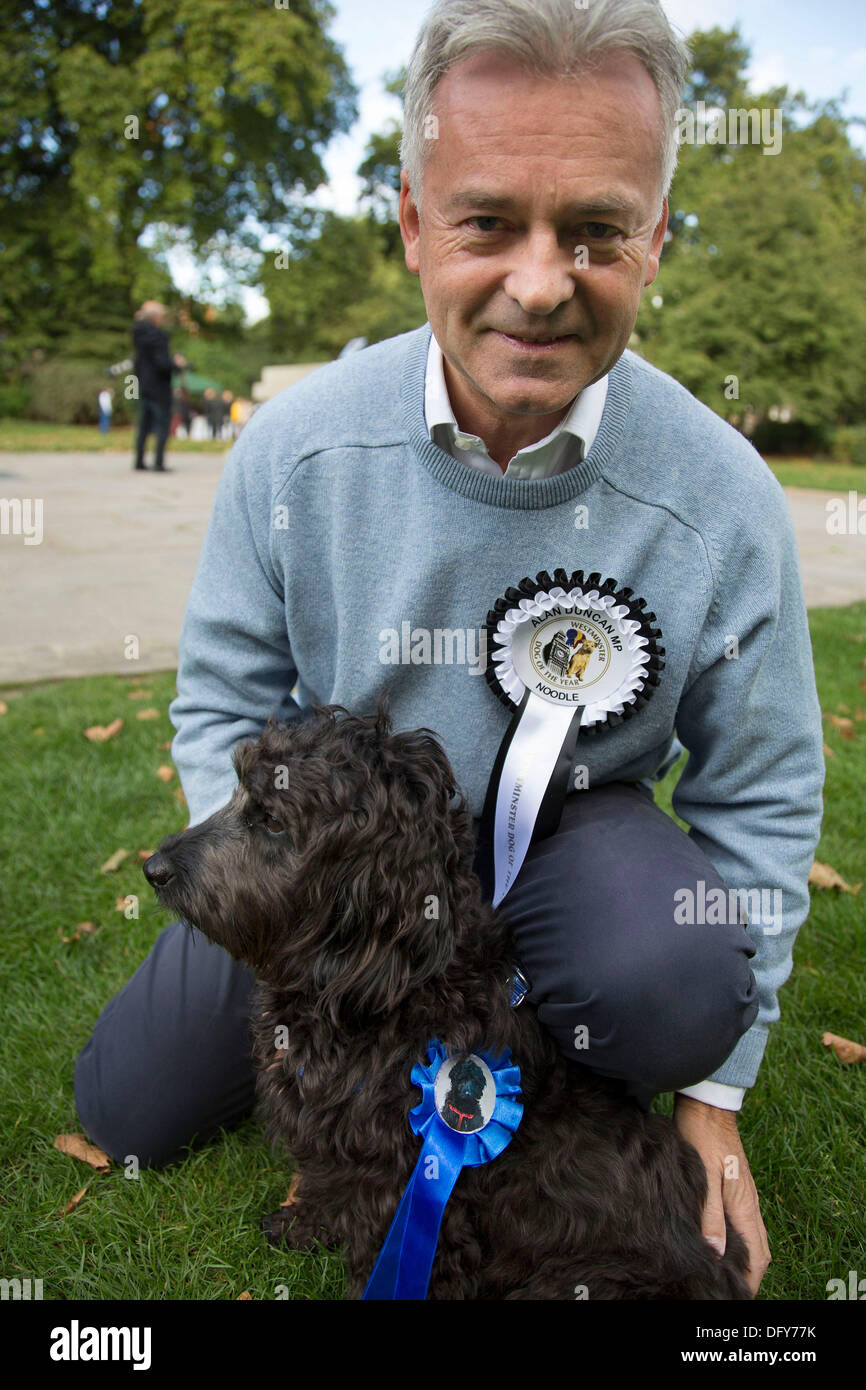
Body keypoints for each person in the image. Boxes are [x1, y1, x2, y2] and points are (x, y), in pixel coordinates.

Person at [75, 0, 824, 1298]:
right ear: (415, 222)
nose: (540, 282)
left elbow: (756, 793)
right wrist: (284, 904)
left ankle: (542, 1045)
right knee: (131, 1103)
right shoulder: (294, 448)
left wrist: (711, 1099)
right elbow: (220, 700)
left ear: (653, 237)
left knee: (668, 970)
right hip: (329, 849)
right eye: (488, 220)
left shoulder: (722, 496)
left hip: (563, 842)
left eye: (594, 227)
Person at [131, 301, 186, 471]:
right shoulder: (158, 337)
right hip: (160, 387)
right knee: (162, 425)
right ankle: (159, 462)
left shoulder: (138, 333)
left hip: (143, 384)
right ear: (156, 318)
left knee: (144, 424)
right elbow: (162, 364)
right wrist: (177, 364)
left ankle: (139, 460)